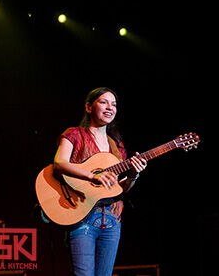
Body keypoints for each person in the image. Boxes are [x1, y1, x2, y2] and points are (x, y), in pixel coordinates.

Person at [53, 87, 148, 276]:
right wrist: (92, 175)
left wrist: (133, 175)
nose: (109, 108)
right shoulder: (75, 134)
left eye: (113, 104)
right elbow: (59, 163)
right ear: (89, 107)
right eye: (103, 102)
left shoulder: (117, 146)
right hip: (81, 216)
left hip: (111, 220)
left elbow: (119, 190)